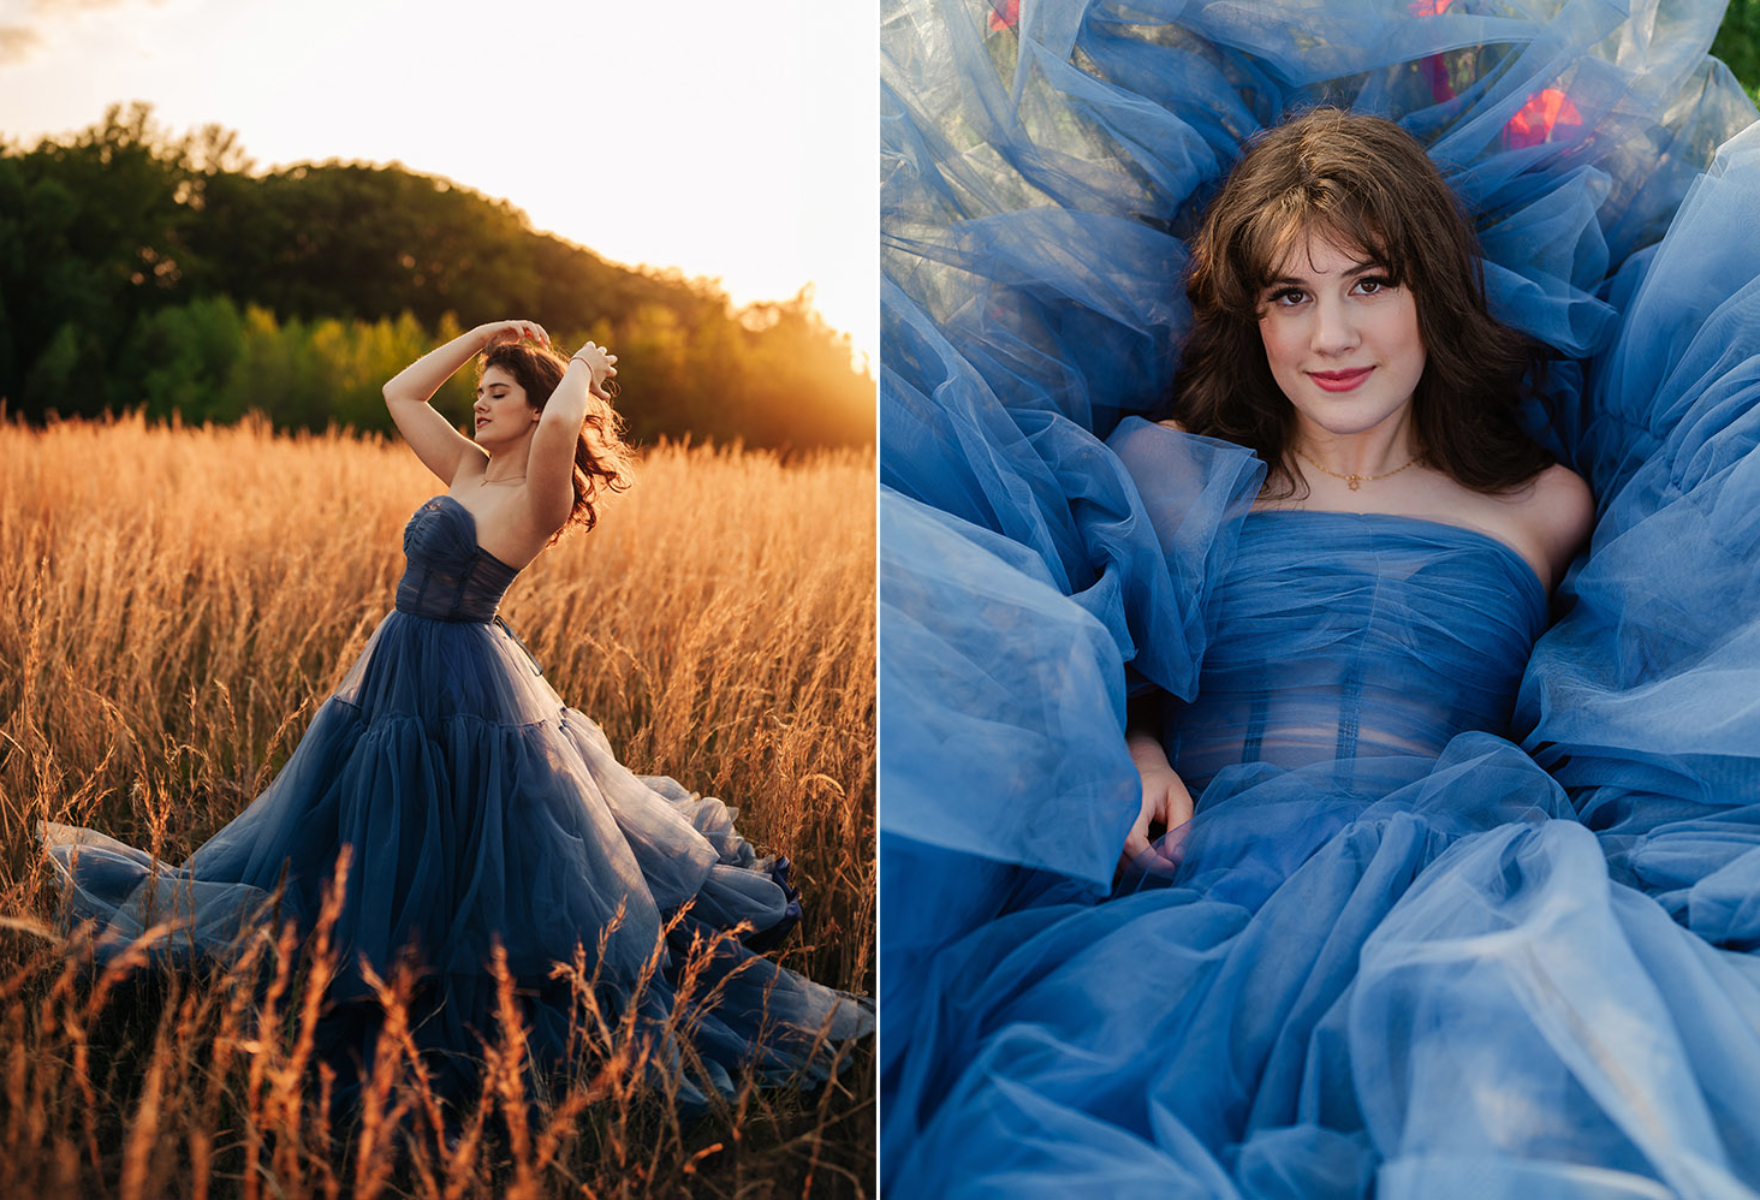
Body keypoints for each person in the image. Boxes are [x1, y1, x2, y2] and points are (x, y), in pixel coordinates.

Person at [879, 0, 1760, 1193]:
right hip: (1194, 886)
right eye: (1288, 295)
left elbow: (1599, 699)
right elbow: (1087, 653)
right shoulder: (1168, 469)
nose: (1330, 335)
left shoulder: (1542, 502)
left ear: (1428, 294)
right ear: (1248, 315)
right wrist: (1139, 742)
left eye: (1368, 283)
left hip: (1459, 880)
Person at [41, 319, 872, 1111]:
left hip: (466, 682)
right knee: (369, 834)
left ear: (540, 410)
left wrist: (577, 370)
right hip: (395, 670)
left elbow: (556, 435)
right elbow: (400, 394)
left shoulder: (541, 491)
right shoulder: (470, 470)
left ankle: (430, 993)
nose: (481, 403)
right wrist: (484, 341)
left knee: (466, 841)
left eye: (500, 392)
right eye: (483, 391)